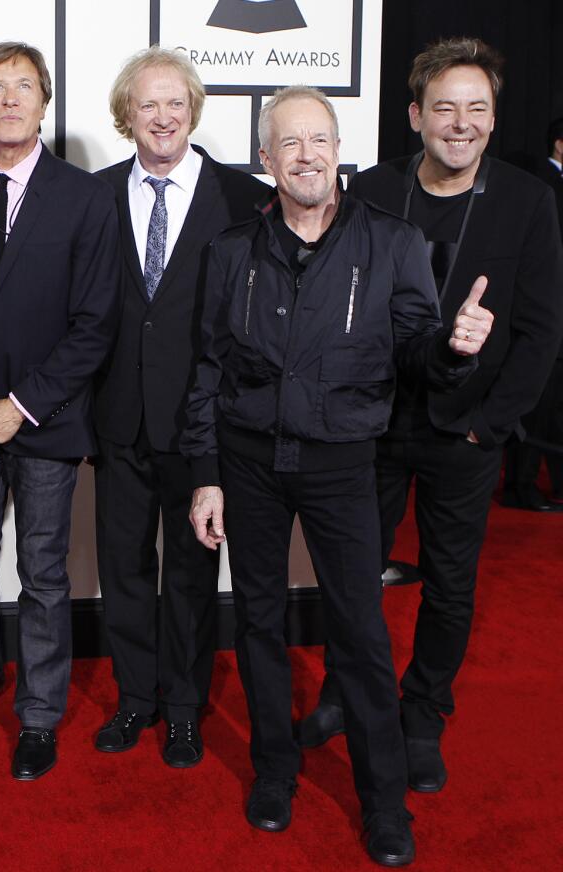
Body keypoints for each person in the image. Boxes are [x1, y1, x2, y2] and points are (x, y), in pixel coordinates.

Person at [182, 85, 493, 866]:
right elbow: (207, 373)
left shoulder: (390, 244)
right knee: (257, 622)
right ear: (266, 160)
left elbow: (417, 353)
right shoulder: (230, 253)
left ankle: (384, 802)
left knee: (358, 634)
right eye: (290, 143)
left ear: (338, 149)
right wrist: (207, 474)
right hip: (249, 465)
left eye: (319, 139)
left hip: (343, 466)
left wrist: (455, 347)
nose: (307, 155)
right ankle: (274, 771)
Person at [297, 39, 563, 797]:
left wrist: (492, 424)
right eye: (444, 107)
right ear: (415, 116)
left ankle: (422, 713)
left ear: (492, 118)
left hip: (466, 430)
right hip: (373, 424)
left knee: (449, 584)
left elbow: (543, 329)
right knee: (353, 577)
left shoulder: (526, 199)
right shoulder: (375, 190)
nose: (461, 123)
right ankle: (346, 691)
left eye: (477, 109)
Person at [0, 41, 119, 781]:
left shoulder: (84, 196)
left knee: (43, 573)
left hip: (45, 421)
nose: (9, 99)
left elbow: (95, 323)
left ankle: (40, 714)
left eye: (24, 87)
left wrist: (20, 406)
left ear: (44, 104)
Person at [91, 47, 270, 765]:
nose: (162, 117)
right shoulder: (95, 194)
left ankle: (186, 709)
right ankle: (138, 701)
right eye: (147, 105)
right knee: (124, 569)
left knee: (192, 575)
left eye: (174, 103)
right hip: (119, 419)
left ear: (192, 109)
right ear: (125, 116)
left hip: (204, 425)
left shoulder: (242, 197)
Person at [500, 114, 563, 510]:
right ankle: (519, 487)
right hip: (544, 309)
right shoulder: (544, 186)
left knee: (554, 409)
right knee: (538, 405)